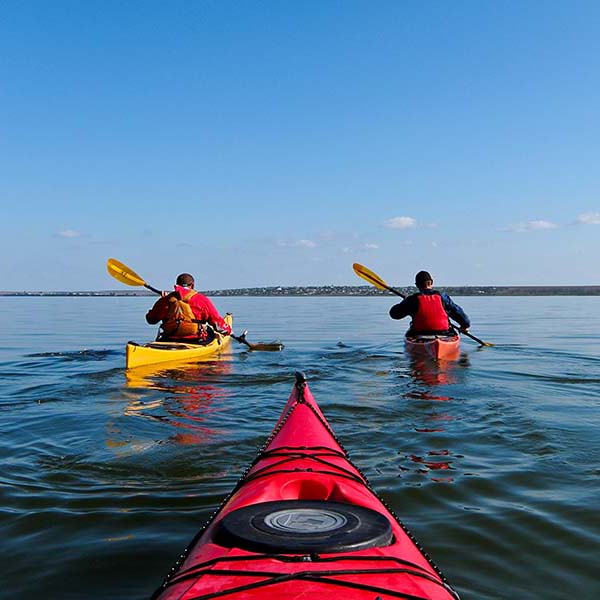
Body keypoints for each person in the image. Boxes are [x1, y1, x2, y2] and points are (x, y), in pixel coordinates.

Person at [145, 273, 232, 342]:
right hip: (195, 340)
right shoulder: (202, 300)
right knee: (210, 331)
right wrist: (228, 330)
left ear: (176, 285)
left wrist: (163, 301)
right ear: (192, 285)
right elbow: (217, 323)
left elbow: (151, 320)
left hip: (169, 338)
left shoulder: (165, 300)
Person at [389, 270, 470, 336]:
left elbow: (394, 314)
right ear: (431, 282)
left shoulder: (412, 299)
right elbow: (457, 312)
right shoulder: (443, 297)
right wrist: (464, 326)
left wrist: (405, 301)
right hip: (444, 334)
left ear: (417, 285)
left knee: (410, 333)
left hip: (420, 334)